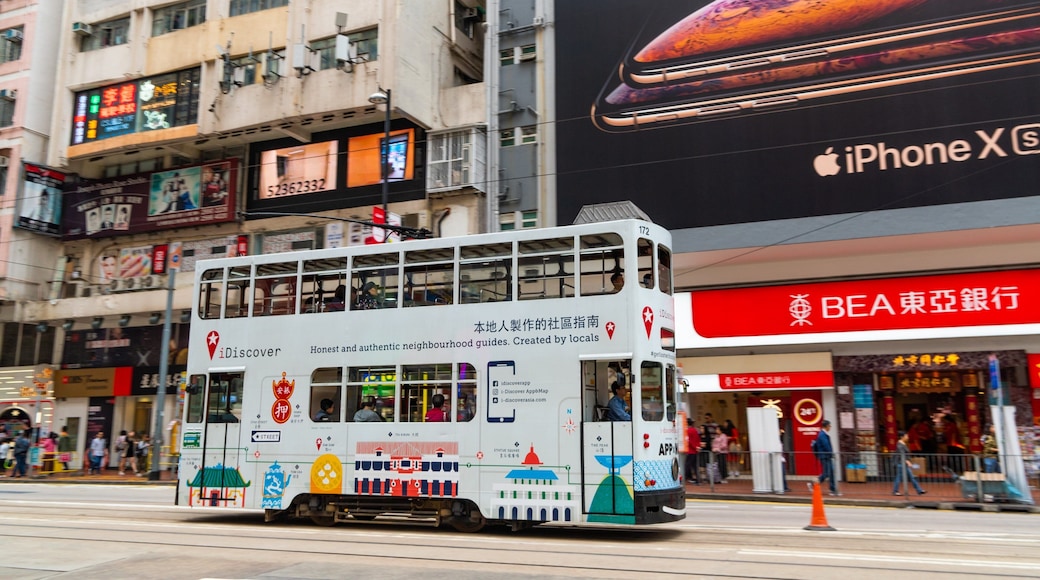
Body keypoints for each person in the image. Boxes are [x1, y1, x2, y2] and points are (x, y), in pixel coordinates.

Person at [893, 430, 927, 496]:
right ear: (902, 437)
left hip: (904, 464)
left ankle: (919, 490)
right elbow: (901, 454)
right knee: (900, 477)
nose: (907, 437)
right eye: (906, 435)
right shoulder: (899, 445)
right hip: (901, 464)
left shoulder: (903, 443)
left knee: (910, 477)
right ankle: (895, 491)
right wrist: (908, 461)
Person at [813, 420, 840, 496]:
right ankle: (813, 484)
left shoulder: (823, 434)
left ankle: (833, 489)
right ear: (826, 426)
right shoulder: (822, 435)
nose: (830, 427)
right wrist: (831, 453)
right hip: (825, 457)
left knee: (831, 473)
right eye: (830, 426)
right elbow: (826, 446)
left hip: (827, 456)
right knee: (826, 473)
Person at [685, 419, 701, 484]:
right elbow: (697, 439)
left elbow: (689, 441)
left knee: (687, 465)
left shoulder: (688, 431)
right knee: (694, 466)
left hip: (690, 450)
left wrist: (695, 447)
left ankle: (688, 477)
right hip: (695, 450)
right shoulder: (695, 430)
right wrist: (697, 447)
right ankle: (697, 479)